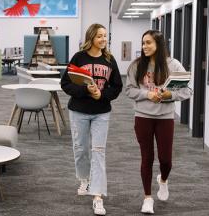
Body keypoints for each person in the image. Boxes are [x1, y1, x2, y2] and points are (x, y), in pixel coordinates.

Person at [125, 30, 192, 214]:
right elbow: (129, 90)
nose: (144, 46)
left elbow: (187, 91)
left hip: (165, 118)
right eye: (143, 43)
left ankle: (163, 179)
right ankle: (147, 198)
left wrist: (170, 95)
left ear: (159, 45)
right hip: (143, 117)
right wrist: (147, 94)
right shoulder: (137, 65)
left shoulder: (173, 65)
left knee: (166, 160)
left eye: (148, 43)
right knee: (147, 158)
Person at [61, 23, 123, 215]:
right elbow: (65, 83)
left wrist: (101, 95)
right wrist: (84, 91)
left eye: (105, 36)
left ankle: (97, 196)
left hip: (101, 112)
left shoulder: (110, 60)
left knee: (98, 151)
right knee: (80, 148)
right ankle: (84, 179)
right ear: (91, 38)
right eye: (99, 36)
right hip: (79, 110)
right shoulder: (79, 58)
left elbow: (117, 86)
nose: (103, 40)